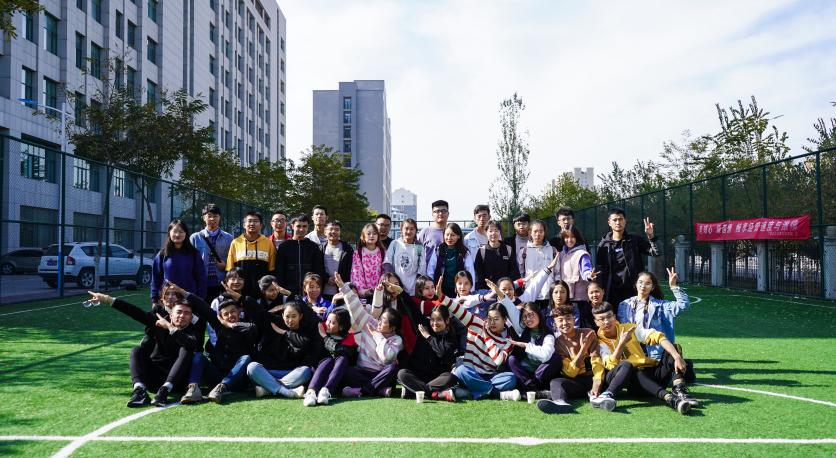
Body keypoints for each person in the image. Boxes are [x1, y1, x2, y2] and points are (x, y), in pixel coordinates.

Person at [87, 290, 201, 407]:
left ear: (191, 317)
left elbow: (190, 344)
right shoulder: (159, 322)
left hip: (176, 382)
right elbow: (136, 313)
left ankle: (165, 390)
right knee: (136, 350)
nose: (182, 316)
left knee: (186, 349)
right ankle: (139, 391)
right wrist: (107, 299)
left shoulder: (193, 332)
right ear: (171, 314)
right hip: (153, 378)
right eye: (179, 312)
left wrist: (170, 327)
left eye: (187, 313)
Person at [593, 301, 695, 414]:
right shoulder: (599, 342)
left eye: (609, 316)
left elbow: (658, 336)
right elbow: (611, 365)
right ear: (596, 322)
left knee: (674, 348)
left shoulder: (629, 328)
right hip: (634, 383)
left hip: (650, 373)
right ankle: (670, 398)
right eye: (601, 319)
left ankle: (679, 390)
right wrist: (622, 343)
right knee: (628, 366)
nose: (606, 321)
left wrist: (677, 356)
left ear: (614, 316)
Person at [167, 283, 257, 405]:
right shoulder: (219, 326)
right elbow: (203, 307)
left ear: (239, 312)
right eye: (226, 314)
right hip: (217, 375)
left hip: (238, 379)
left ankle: (222, 387)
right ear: (221, 317)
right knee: (198, 355)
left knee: (246, 358)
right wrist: (183, 292)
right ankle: (193, 389)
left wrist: (230, 325)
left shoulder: (247, 327)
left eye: (233, 312)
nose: (230, 315)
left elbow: (252, 328)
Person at [233, 284, 319, 399]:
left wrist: (284, 332)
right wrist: (242, 298)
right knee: (252, 367)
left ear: (300, 316)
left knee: (306, 371)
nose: (290, 320)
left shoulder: (304, 330)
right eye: (287, 316)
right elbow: (259, 312)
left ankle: (268, 389)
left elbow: (311, 318)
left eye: (294, 316)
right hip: (269, 372)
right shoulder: (274, 323)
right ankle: (284, 391)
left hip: (291, 373)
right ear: (282, 315)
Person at [438, 279, 519, 401]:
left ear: (504, 319)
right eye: (489, 318)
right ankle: (496, 394)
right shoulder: (479, 324)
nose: (491, 322)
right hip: (471, 372)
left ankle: (470, 392)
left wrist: (486, 336)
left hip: (489, 376)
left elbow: (498, 360)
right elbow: (459, 311)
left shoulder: (508, 341)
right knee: (460, 371)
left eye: (496, 319)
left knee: (510, 378)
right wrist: (442, 297)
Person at [335, 273, 403, 398]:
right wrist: (343, 287)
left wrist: (377, 335)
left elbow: (386, 357)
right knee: (347, 371)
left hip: (381, 374)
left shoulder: (396, 340)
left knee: (393, 368)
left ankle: (361, 391)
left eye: (384, 321)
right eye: (380, 319)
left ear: (393, 327)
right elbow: (356, 308)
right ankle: (379, 391)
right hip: (363, 372)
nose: (379, 322)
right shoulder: (371, 323)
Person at [535, 305, 607, 414]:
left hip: (593, 378)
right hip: (576, 381)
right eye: (560, 320)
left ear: (574, 319)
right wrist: (583, 350)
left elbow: (597, 362)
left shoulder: (589, 333)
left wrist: (597, 384)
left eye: (568, 318)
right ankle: (560, 403)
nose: (565, 323)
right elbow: (570, 373)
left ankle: (599, 395)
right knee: (556, 382)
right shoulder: (557, 343)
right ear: (555, 324)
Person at [617, 269, 692, 367]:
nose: (643, 286)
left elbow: (683, 305)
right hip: (632, 352)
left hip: (654, 353)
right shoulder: (624, 305)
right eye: (640, 282)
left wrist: (673, 286)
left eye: (648, 283)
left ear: (652, 287)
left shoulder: (660, 306)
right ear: (636, 284)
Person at [595, 208, 659, 306]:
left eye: (620, 219)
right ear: (609, 223)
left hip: (634, 290)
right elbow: (600, 270)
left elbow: (655, 252)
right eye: (615, 220)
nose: (618, 222)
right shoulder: (603, 245)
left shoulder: (634, 240)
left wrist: (651, 235)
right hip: (612, 292)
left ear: (625, 221)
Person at [396, 304, 460, 402]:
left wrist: (428, 336)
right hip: (418, 376)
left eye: (439, 319)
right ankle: (435, 394)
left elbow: (442, 352)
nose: (434, 323)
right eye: (432, 319)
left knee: (450, 377)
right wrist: (401, 294)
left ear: (447, 321)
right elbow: (413, 309)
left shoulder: (450, 338)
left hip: (436, 380)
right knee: (402, 373)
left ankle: (414, 391)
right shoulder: (425, 326)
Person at [303, 308, 358, 406]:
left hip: (339, 378)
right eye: (327, 320)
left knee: (342, 358)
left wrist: (325, 337)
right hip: (318, 373)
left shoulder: (349, 338)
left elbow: (339, 351)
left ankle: (326, 391)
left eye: (332, 323)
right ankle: (311, 392)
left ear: (341, 327)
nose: (327, 324)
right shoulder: (320, 329)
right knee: (328, 360)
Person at [507, 302, 560, 396]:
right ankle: (531, 386)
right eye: (525, 317)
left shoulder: (548, 334)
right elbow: (510, 313)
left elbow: (545, 355)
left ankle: (534, 387)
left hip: (541, 373)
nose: (528, 319)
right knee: (512, 359)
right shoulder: (523, 331)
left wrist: (526, 345)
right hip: (527, 373)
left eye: (531, 315)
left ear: (538, 314)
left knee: (555, 359)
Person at [151, 219, 206, 304]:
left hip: (189, 300)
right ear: (169, 233)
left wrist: (200, 299)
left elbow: (201, 278)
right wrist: (154, 299)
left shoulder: (194, 254)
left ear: (186, 234)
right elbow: (155, 278)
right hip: (168, 299)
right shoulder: (162, 254)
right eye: (175, 231)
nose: (177, 234)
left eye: (181, 232)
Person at [226, 211, 276, 297]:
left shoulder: (268, 243)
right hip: (240, 292)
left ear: (261, 225)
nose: (252, 224)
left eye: (256, 221)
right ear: (244, 225)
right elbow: (230, 269)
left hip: (262, 292)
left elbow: (272, 270)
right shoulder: (235, 242)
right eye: (249, 221)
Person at [190, 204, 234, 301]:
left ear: (219, 217)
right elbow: (190, 261)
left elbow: (232, 261)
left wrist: (226, 265)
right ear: (203, 218)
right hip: (200, 282)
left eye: (215, 216)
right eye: (209, 216)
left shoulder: (229, 238)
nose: (212, 219)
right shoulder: (195, 237)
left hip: (221, 283)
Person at [275, 214, 326, 296]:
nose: (301, 229)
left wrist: (317, 290)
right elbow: (279, 271)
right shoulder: (284, 247)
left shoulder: (314, 247)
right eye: (298, 226)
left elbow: (318, 271)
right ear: (292, 226)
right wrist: (282, 292)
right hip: (288, 292)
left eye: (304, 226)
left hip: (309, 293)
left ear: (308, 227)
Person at [557, 226, 597, 328]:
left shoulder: (582, 254)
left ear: (577, 238)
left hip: (580, 300)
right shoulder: (561, 254)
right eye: (566, 237)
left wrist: (589, 276)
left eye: (572, 237)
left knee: (582, 328)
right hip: (566, 299)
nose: (569, 240)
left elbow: (586, 269)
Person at [383, 218, 426, 296]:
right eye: (406, 228)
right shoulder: (395, 244)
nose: (409, 231)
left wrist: (418, 286)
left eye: (412, 229)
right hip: (395, 288)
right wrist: (392, 280)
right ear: (401, 230)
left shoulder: (419, 247)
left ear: (415, 231)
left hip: (413, 289)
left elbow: (422, 269)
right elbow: (387, 262)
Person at [474, 220, 519, 291]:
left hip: (505, 290)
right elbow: (478, 274)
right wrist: (482, 291)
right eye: (490, 231)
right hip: (488, 291)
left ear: (500, 232)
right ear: (486, 233)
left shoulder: (508, 249)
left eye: (496, 230)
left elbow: (514, 271)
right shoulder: (482, 251)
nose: (493, 233)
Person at [521, 220, 558, 306]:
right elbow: (520, 272)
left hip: (548, 294)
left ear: (545, 232)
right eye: (535, 231)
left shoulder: (552, 250)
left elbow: (557, 272)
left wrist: (555, 289)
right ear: (530, 232)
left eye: (541, 231)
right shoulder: (524, 251)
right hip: (530, 294)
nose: (538, 234)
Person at [432, 223, 473, 299]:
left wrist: (470, 291)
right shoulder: (438, 250)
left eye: (452, 235)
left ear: (458, 236)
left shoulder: (464, 252)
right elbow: (431, 269)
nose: (449, 238)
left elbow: (470, 272)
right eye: (447, 235)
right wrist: (432, 287)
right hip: (441, 289)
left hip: (459, 289)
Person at [350, 223, 386, 300]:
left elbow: (385, 271)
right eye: (368, 234)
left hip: (380, 293)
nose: (372, 236)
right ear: (363, 236)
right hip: (364, 295)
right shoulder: (358, 253)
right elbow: (356, 274)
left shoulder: (383, 252)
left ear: (378, 236)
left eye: (374, 233)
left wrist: (380, 287)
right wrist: (363, 291)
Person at [321, 220, 353, 300]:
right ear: (325, 232)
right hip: (322, 291)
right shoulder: (319, 249)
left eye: (337, 229)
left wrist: (340, 280)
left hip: (342, 291)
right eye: (331, 229)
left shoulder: (347, 249)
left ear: (340, 232)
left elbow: (350, 269)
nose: (333, 232)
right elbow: (317, 267)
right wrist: (327, 278)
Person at [417, 200, 449, 277]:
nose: (440, 213)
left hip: (450, 276)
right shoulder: (425, 232)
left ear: (448, 213)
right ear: (432, 214)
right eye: (437, 211)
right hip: (428, 276)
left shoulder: (453, 231)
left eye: (443, 211)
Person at [463, 205, 490, 289]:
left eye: (484, 215)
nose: (482, 219)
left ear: (489, 217)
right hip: (475, 278)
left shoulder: (495, 236)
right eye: (479, 216)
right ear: (474, 219)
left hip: (491, 277)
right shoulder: (468, 238)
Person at [503, 212, 531, 277]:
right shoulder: (507, 242)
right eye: (518, 224)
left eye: (524, 223)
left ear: (529, 224)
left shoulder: (536, 241)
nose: (521, 227)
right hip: (513, 278)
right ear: (514, 226)